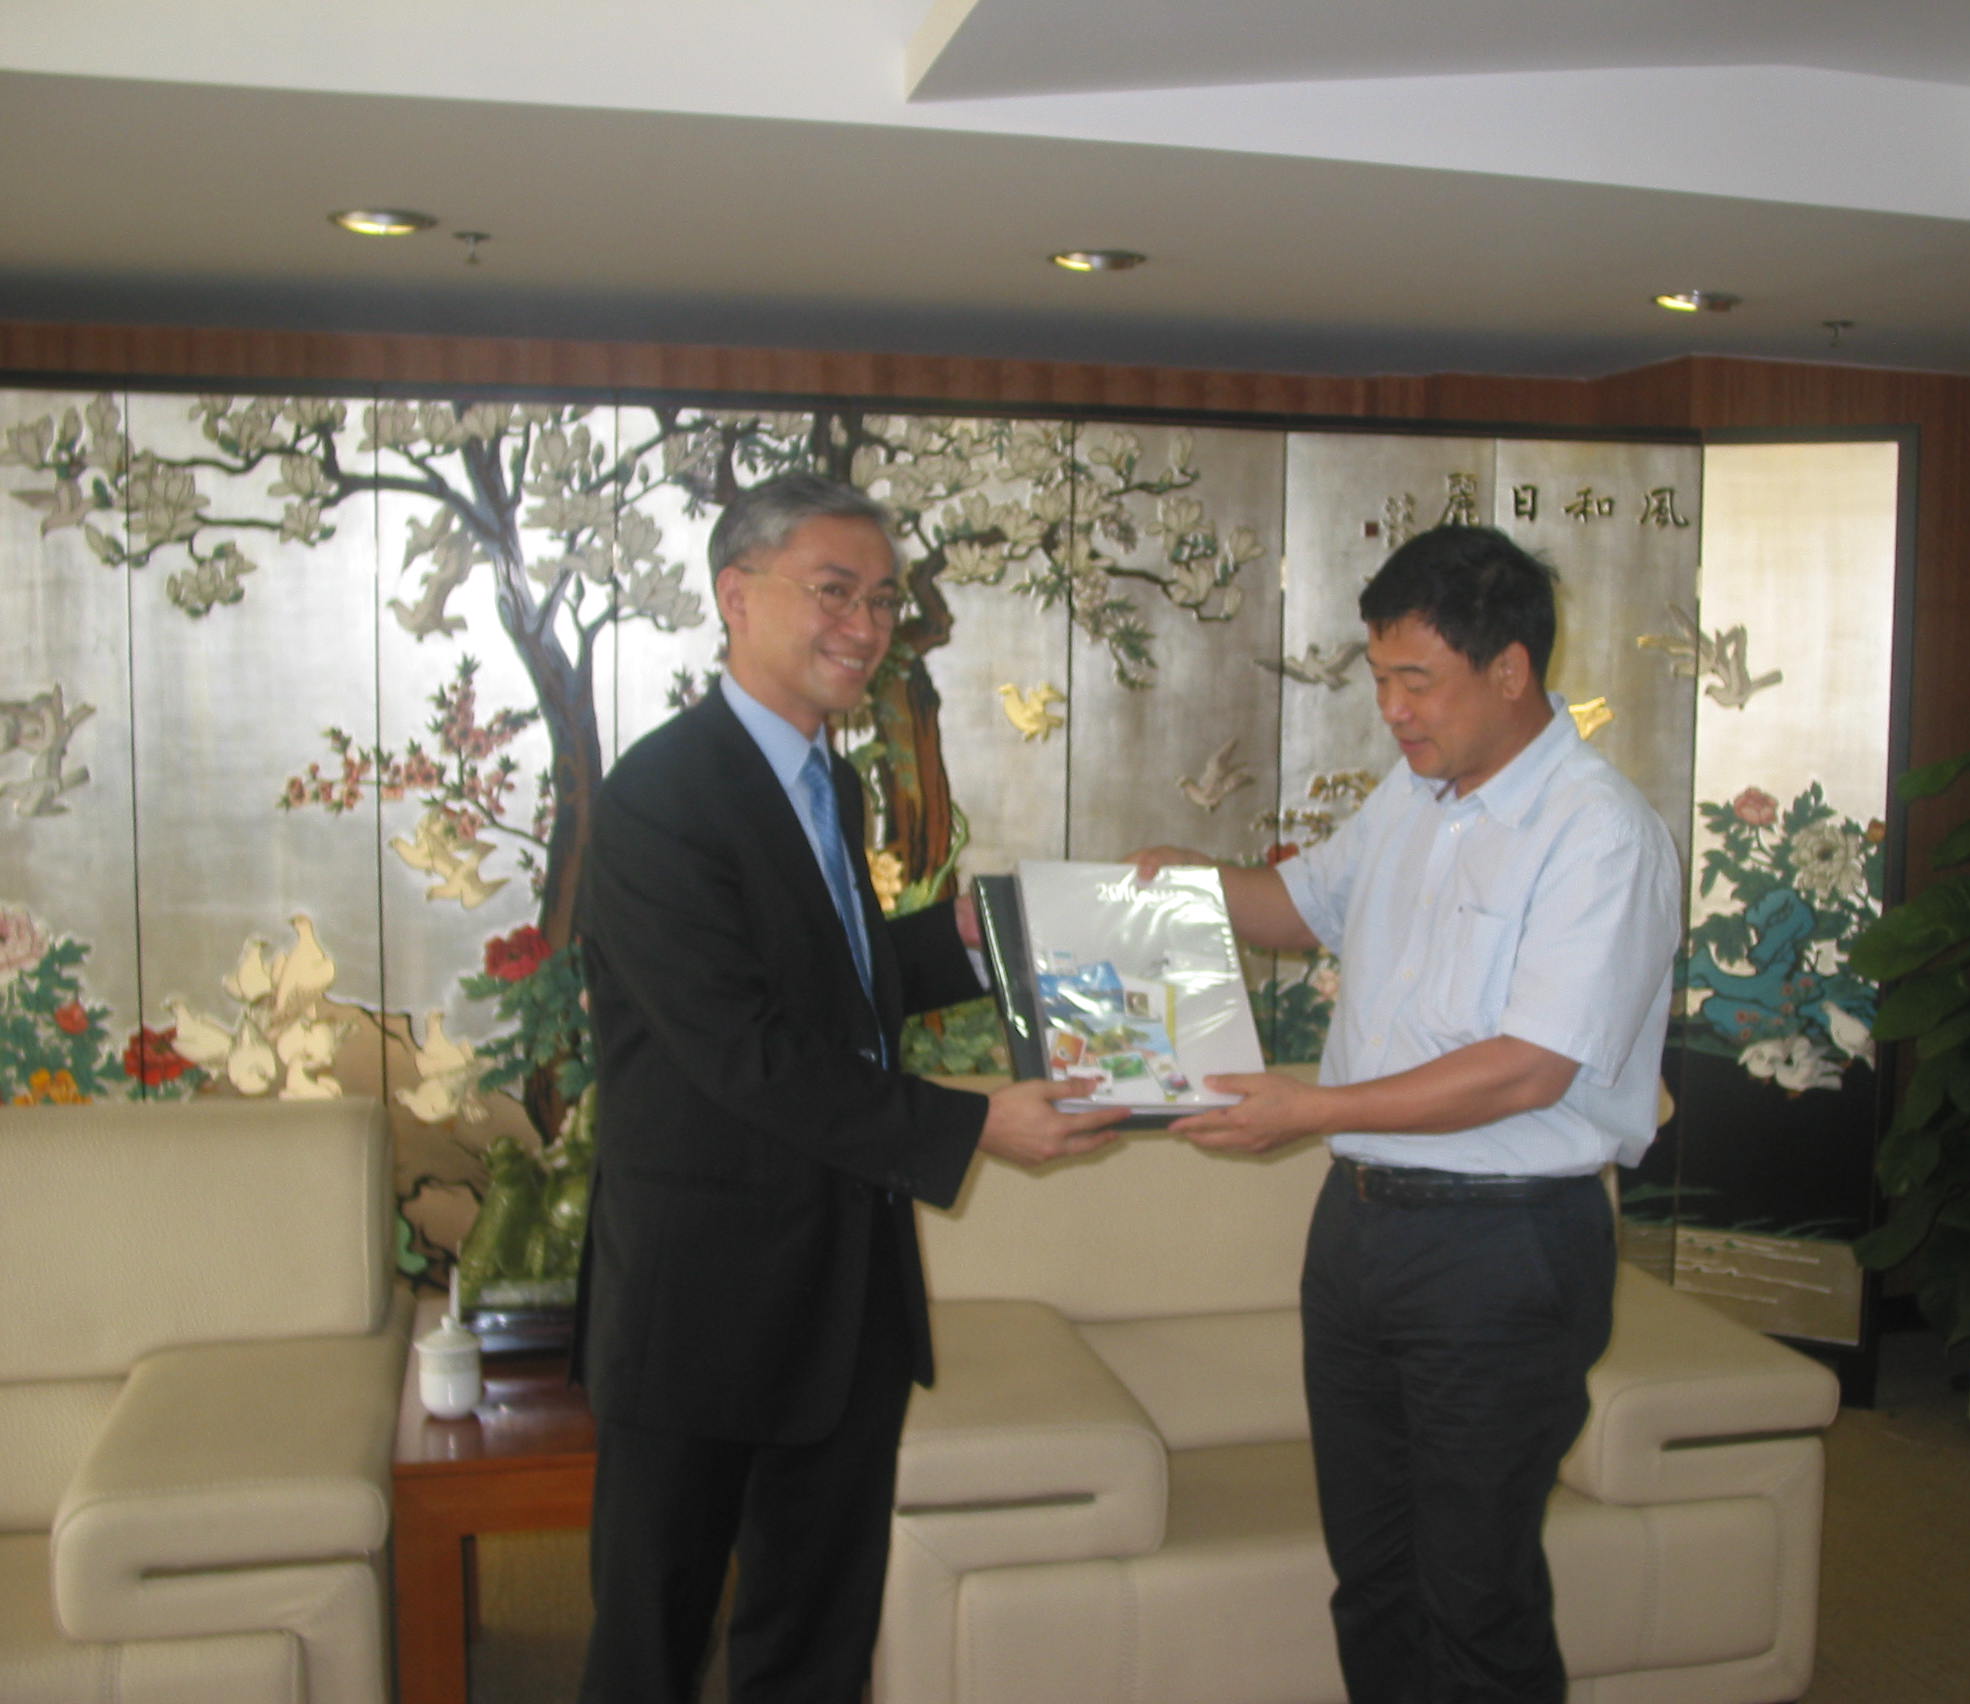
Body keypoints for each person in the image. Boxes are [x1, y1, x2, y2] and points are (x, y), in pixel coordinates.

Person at [572, 471, 1124, 1704]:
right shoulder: (664, 795)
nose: (866, 628)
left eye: (880, 599)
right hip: (702, 1299)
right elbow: (741, 1048)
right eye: (834, 592)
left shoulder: (830, 777)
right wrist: (973, 1124)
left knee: (817, 1644)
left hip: (844, 1292)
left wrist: (984, 936)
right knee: (647, 1651)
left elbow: (836, 986)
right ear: (736, 595)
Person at [1133, 523, 1681, 1703]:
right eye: (1379, 678)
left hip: (1503, 1247)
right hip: (1362, 1232)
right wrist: (1180, 878)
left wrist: (1309, 1105)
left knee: (1474, 1592)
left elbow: (1530, 1067)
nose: (1390, 709)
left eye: (1413, 680)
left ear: (1511, 669)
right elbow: (1293, 906)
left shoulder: (1599, 836)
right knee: (1371, 1573)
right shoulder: (1413, 797)